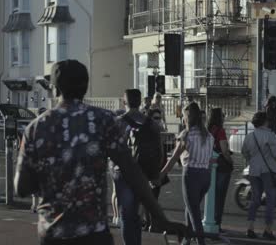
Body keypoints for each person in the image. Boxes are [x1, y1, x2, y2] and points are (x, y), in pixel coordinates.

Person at [14, 60, 180, 245]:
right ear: (85, 88)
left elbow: (21, 187)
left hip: (54, 233)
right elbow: (132, 171)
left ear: (56, 89)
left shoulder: (36, 128)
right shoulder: (102, 120)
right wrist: (159, 217)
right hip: (93, 233)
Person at [111, 89, 164, 244]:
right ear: (140, 102)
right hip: (144, 172)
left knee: (127, 215)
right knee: (137, 214)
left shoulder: (119, 122)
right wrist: (155, 174)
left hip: (124, 173)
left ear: (124, 102)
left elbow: (111, 148)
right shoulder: (151, 123)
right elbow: (160, 150)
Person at [160, 102, 214, 245]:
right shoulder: (208, 135)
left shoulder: (186, 135)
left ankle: (200, 241)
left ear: (188, 117)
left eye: (183, 116)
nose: (183, 119)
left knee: (194, 212)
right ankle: (187, 240)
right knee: (191, 208)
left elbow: (173, 158)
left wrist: (161, 174)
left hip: (192, 175)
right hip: (206, 176)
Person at [241, 112, 276, 241]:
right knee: (270, 200)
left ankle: (250, 228)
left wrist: (252, 161)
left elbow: (244, 152)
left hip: (254, 171)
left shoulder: (249, 136)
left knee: (255, 199)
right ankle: (268, 230)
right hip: (268, 171)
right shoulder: (270, 136)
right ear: (265, 121)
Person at [207, 108, 233, 233]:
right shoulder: (220, 131)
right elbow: (224, 149)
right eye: (223, 115)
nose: (224, 117)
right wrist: (230, 161)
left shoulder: (207, 130)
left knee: (210, 195)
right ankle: (217, 223)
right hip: (221, 166)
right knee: (220, 196)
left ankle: (209, 220)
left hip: (209, 165)